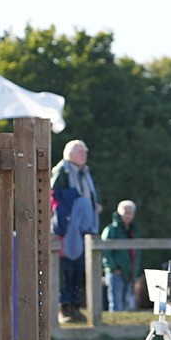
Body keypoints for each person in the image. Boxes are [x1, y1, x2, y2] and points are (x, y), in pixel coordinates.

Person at [51, 139, 100, 324]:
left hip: (83, 229)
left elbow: (93, 195)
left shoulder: (85, 173)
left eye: (85, 151)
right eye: (80, 151)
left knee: (79, 268)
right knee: (66, 269)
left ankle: (76, 307)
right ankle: (64, 308)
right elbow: (53, 196)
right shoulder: (62, 171)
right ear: (70, 154)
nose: (84, 155)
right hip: (66, 229)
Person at [101, 200, 139, 312]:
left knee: (126, 302)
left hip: (129, 272)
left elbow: (136, 252)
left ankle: (125, 328)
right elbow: (106, 251)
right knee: (116, 303)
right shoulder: (111, 230)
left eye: (130, 213)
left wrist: (134, 270)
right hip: (116, 272)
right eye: (125, 212)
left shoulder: (133, 231)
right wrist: (113, 268)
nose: (127, 215)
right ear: (119, 212)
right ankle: (113, 328)